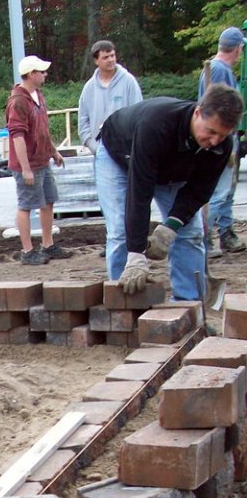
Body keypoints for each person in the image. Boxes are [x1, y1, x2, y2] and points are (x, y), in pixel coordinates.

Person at [95, 84, 244, 299]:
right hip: (119, 155)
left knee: (190, 232)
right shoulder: (156, 125)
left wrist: (171, 226)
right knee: (120, 230)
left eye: (222, 135)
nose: (214, 142)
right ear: (198, 112)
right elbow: (140, 192)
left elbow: (199, 191)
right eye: (210, 131)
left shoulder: (221, 145)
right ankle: (123, 310)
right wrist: (137, 254)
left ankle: (188, 308)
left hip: (171, 169)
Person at [5, 55, 72, 266]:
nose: (45, 74)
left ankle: (47, 244)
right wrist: (25, 169)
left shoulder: (38, 96)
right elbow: (17, 137)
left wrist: (53, 151)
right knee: (26, 205)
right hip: (28, 165)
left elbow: (42, 129)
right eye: (41, 72)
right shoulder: (18, 102)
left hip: (42, 161)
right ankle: (27, 251)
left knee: (48, 201)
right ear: (32, 74)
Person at [198, 26, 246, 257]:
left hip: (228, 137)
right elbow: (215, 110)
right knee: (218, 191)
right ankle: (204, 240)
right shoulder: (217, 70)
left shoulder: (221, 69)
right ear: (238, 49)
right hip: (220, 139)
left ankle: (226, 234)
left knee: (227, 191)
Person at [78, 40, 142, 156]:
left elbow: (139, 114)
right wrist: (94, 147)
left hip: (127, 150)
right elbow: (83, 122)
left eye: (112, 55)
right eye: (105, 57)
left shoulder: (128, 81)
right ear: (96, 60)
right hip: (101, 150)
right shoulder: (89, 88)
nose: (111, 60)